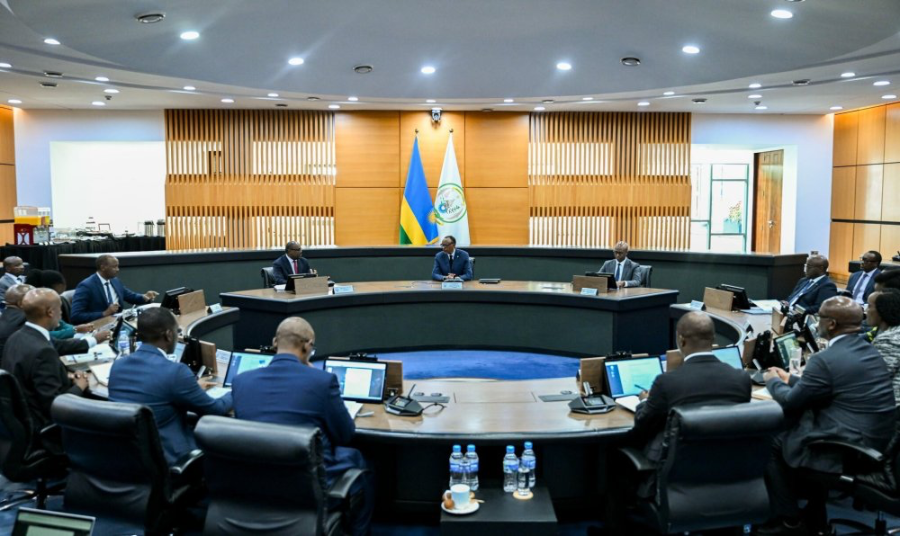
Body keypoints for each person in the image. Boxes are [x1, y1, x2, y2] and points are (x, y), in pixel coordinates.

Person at [762, 296, 895, 534]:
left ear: (831, 324)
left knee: (772, 440)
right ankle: (814, 514)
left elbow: (790, 402)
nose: (817, 323)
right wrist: (790, 379)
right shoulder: (868, 349)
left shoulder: (825, 359)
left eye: (821, 317)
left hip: (847, 450)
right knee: (797, 426)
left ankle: (788, 520)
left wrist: (772, 381)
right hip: (876, 443)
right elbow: (828, 385)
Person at [232, 317, 373, 535]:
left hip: (255, 486)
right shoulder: (323, 381)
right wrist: (313, 374)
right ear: (307, 346)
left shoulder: (241, 381)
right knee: (357, 458)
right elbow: (345, 435)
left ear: (274, 342)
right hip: (308, 487)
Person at [108, 307, 233, 464]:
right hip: (169, 459)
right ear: (168, 335)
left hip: (127, 458)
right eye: (177, 331)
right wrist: (236, 389)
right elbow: (216, 409)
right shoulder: (176, 372)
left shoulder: (118, 366)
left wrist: (191, 388)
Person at [0, 288, 90, 430]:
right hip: (46, 428)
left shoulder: (15, 337)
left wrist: (66, 375)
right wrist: (80, 386)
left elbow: (30, 377)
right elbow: (55, 405)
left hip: (20, 421)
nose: (61, 313)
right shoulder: (44, 351)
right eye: (59, 308)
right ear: (50, 312)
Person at [0, 283, 109, 358]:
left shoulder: (12, 315)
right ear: (21, 303)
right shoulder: (23, 319)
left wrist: (78, 331)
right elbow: (52, 342)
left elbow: (59, 326)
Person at [70, 254, 158, 324]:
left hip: (116, 322)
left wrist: (144, 297)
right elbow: (76, 316)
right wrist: (104, 313)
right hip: (97, 326)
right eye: (114, 267)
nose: (117, 269)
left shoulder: (115, 281)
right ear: (103, 267)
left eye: (118, 266)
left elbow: (130, 296)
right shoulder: (86, 286)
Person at [868, 289, 900, 406]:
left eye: (869, 306)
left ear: (881, 311)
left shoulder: (888, 340)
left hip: (890, 406)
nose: (866, 310)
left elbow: (874, 379)